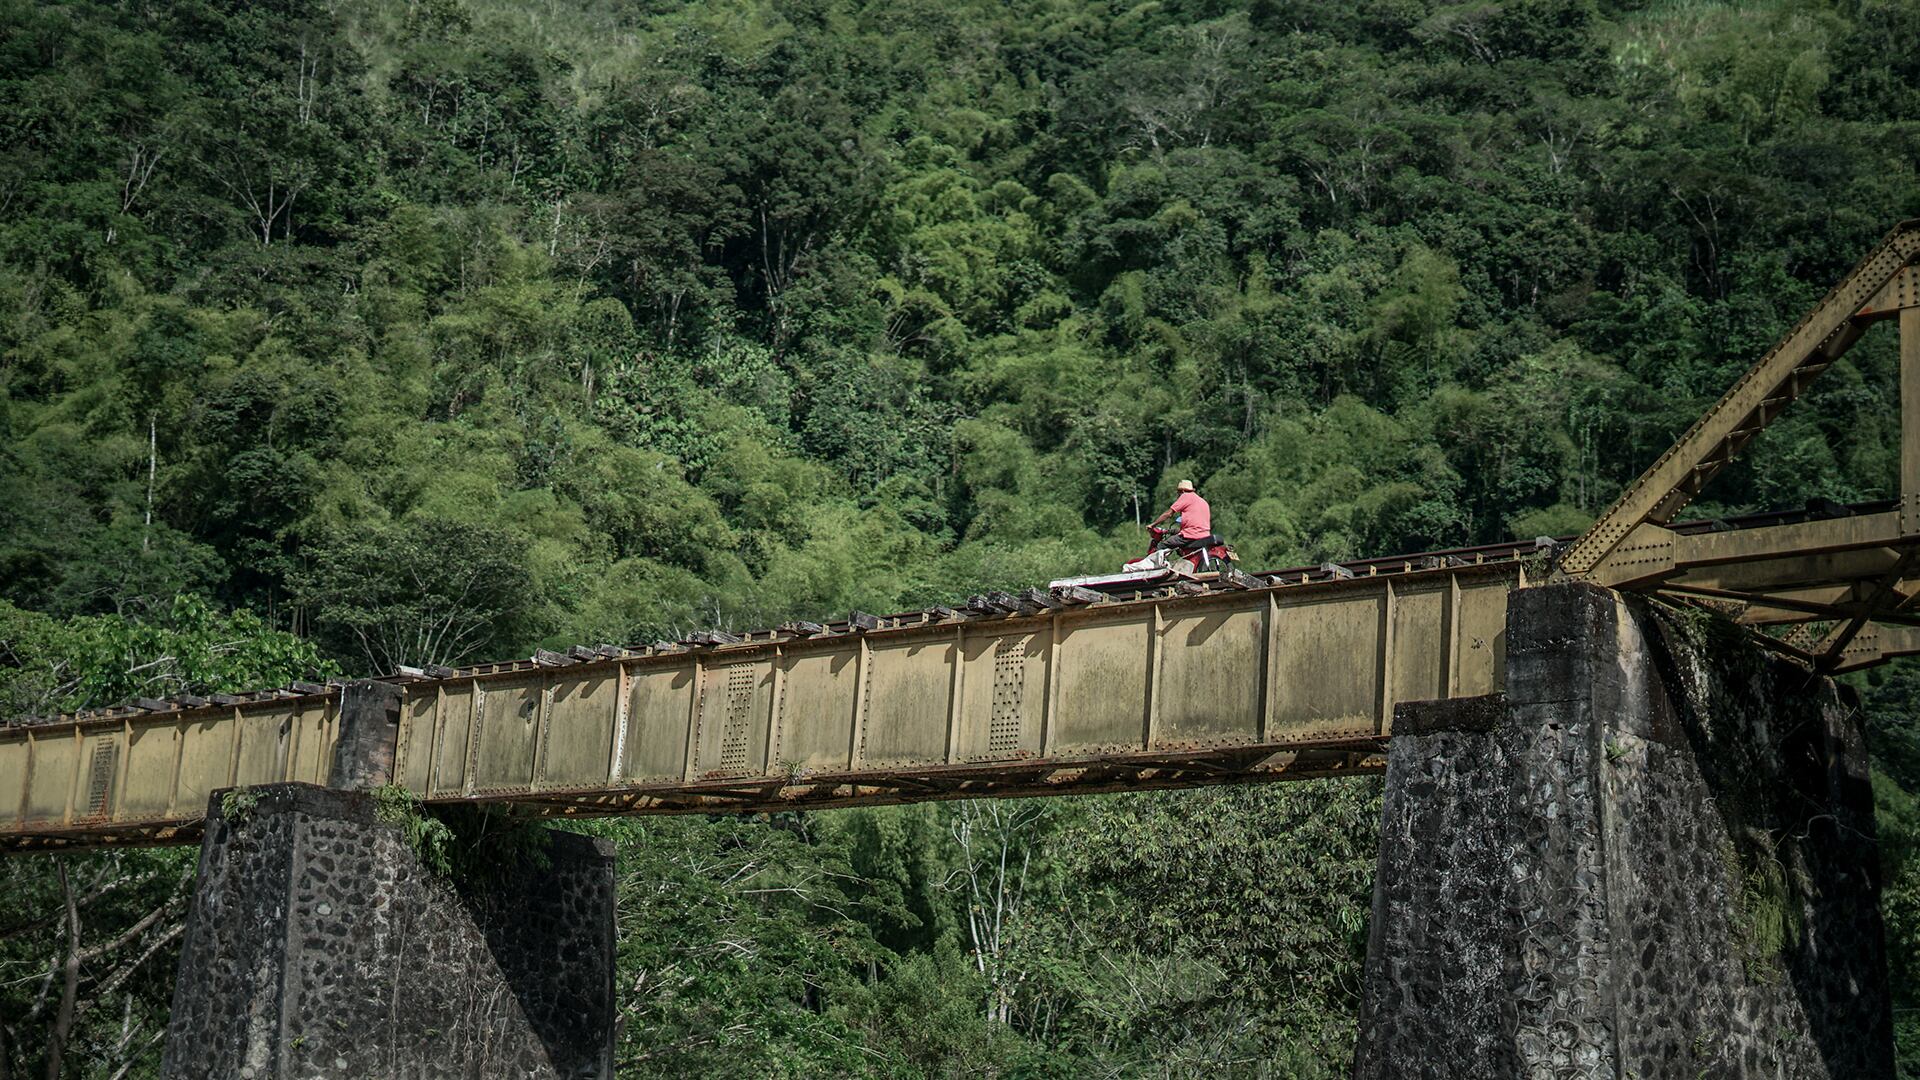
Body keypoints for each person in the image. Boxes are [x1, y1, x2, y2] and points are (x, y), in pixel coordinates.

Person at [1150, 480, 1215, 553]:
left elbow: (1168, 514)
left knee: (1161, 546)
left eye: (1178, 492)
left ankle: (1158, 563)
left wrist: (1153, 525)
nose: (1177, 494)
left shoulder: (1185, 496)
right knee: (1178, 540)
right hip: (1205, 535)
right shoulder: (1202, 501)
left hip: (1190, 535)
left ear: (1183, 491)